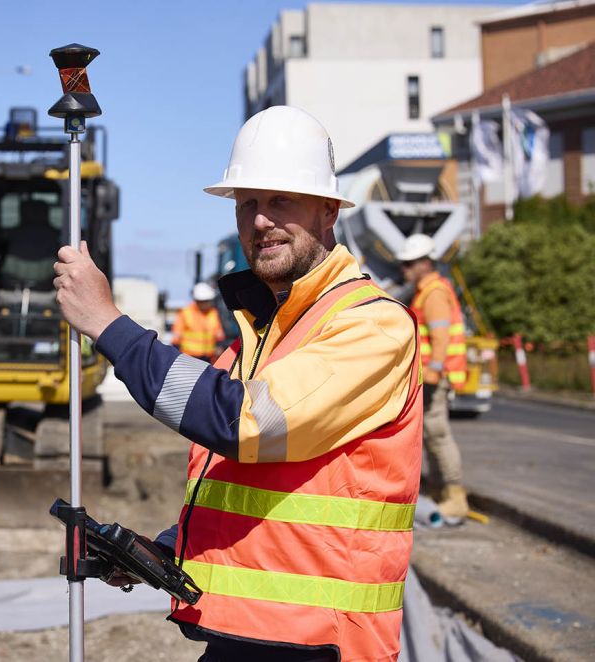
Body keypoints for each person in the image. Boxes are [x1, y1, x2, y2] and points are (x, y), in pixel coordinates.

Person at [54, 106, 422, 661]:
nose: (260, 221)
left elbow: (241, 423)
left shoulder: (370, 325)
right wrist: (161, 551)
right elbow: (257, 490)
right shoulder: (262, 332)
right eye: (247, 204)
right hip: (250, 638)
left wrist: (109, 326)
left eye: (280, 201)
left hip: (321, 643)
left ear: (327, 212)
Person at [397, 233, 469, 522]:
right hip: (429, 374)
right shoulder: (424, 291)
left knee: (438, 435)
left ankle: (455, 496)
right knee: (429, 434)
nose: (405, 270)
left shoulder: (435, 292)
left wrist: (436, 371)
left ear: (425, 263)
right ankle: (441, 492)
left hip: (436, 375)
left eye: (410, 263)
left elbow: (440, 337)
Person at [171, 282, 225, 362]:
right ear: (197, 300)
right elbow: (176, 337)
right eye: (203, 301)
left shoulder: (213, 313)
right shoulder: (186, 313)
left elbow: (219, 334)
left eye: (208, 300)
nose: (206, 304)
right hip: (188, 358)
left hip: (209, 358)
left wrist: (219, 346)